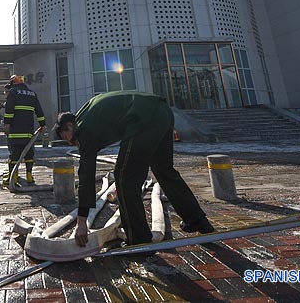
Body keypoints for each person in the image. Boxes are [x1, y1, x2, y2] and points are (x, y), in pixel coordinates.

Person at [53, 91, 214, 250]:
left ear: (70, 126)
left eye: (66, 137)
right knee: (164, 170)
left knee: (124, 179)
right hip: (162, 111)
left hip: (142, 121)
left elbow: (86, 175)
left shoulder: (82, 129)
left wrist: (81, 222)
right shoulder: (85, 113)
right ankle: (198, 221)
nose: (70, 143)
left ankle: (138, 240)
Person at [2, 75, 45, 186]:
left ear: (13, 83)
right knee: (29, 154)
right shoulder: (32, 94)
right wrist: (42, 125)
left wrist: (7, 124)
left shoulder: (13, 93)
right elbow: (39, 111)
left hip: (15, 132)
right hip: (28, 132)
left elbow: (9, 110)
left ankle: (13, 177)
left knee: (14, 155)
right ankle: (29, 176)